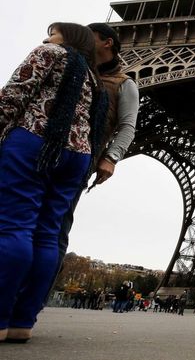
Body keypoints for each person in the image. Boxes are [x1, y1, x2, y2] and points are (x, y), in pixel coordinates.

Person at [0, 23, 108, 343]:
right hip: (77, 156)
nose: (46, 37)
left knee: (13, 226)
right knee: (47, 235)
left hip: (35, 141)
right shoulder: (92, 76)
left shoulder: (50, 53)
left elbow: (13, 97)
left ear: (68, 38)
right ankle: (22, 322)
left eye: (53, 32)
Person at [56, 23, 139, 278]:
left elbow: (127, 126)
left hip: (79, 158)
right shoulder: (76, 68)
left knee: (56, 227)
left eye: (89, 36)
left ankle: (29, 304)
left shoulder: (125, 84)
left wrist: (111, 157)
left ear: (107, 43)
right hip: (44, 151)